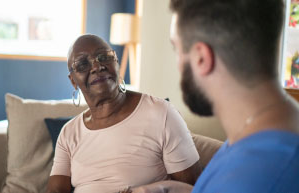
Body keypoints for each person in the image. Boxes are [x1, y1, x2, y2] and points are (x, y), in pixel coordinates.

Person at [132, 0, 299, 192]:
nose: (178, 63)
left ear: (201, 58)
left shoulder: (255, 177)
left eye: (176, 49)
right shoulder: (262, 133)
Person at [45, 34, 202, 193]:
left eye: (104, 57)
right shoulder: (68, 133)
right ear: (73, 80)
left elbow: (194, 188)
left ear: (116, 63)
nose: (97, 66)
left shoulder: (161, 113)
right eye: (83, 64)